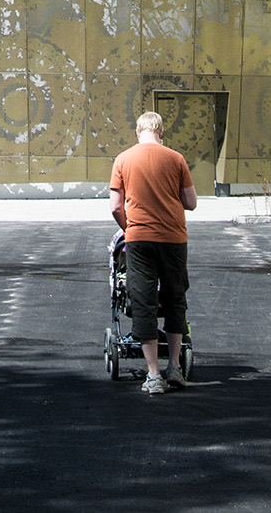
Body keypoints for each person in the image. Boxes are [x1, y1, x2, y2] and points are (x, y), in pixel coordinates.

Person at [109, 110, 197, 395]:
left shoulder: (123, 159)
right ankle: (174, 366)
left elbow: (115, 206)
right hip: (173, 238)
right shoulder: (176, 159)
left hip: (139, 240)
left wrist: (129, 228)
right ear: (161, 132)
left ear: (138, 132)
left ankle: (153, 374)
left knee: (143, 302)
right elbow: (191, 202)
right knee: (174, 298)